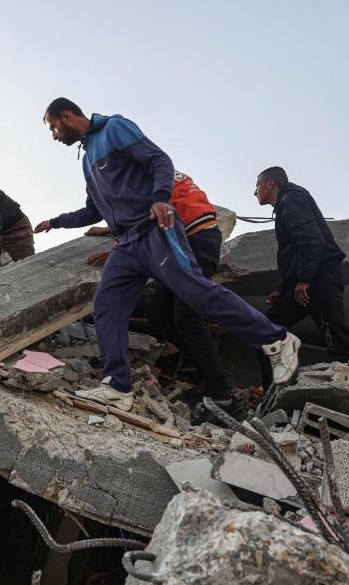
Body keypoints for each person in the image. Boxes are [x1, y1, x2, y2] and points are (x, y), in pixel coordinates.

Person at [34, 97, 300, 412]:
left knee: (193, 290)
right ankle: (117, 386)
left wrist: (161, 197)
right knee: (107, 305)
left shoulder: (114, 127)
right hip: (127, 244)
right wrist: (58, 222)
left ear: (67, 116)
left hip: (155, 230)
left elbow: (159, 160)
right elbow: (94, 209)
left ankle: (277, 340)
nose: (54, 135)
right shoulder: (87, 158)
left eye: (54, 127)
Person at [85, 171, 242, 413]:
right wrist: (111, 230)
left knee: (188, 317)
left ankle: (224, 394)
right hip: (190, 237)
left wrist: (120, 249)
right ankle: (211, 375)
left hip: (196, 240)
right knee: (159, 313)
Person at [254, 166, 349, 420]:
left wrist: (305, 279)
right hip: (303, 284)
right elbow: (296, 251)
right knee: (265, 335)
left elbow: (311, 240)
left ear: (271, 184)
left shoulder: (292, 198)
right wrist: (283, 289)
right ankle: (274, 405)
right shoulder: (285, 204)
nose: (255, 192)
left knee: (341, 347)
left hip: (319, 281)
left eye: (258, 186)